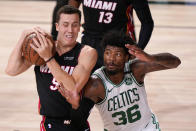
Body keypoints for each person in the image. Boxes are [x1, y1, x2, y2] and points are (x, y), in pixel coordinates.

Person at [58, 30, 181, 131]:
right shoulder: (96, 84)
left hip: (147, 127)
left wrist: (150, 57)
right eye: (107, 53)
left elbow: (175, 62)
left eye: (117, 54)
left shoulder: (135, 69)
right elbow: (77, 122)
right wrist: (75, 105)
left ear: (127, 57)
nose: (111, 59)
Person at [5, 5, 97, 131]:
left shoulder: (86, 53)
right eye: (65, 24)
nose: (70, 30)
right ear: (57, 26)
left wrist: (49, 58)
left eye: (74, 25)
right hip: (49, 123)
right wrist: (23, 36)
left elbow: (72, 89)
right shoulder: (42, 48)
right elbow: (11, 70)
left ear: (79, 27)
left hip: (76, 122)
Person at [69, 0, 154, 71]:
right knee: (87, 87)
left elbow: (147, 22)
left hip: (118, 45)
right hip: (88, 41)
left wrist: (139, 49)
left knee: (116, 88)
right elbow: (73, 4)